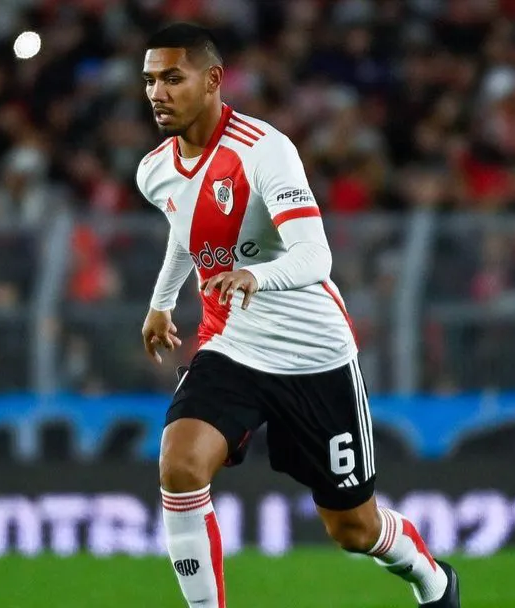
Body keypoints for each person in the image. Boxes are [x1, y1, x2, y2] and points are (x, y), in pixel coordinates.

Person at [136, 24, 460, 607]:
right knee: (180, 466)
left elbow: (316, 254)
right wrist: (162, 302)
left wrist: (255, 275)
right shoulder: (154, 169)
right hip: (231, 345)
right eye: (151, 80)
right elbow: (185, 231)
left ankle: (433, 580)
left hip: (314, 356)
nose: (158, 92)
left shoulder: (264, 150)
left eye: (172, 78)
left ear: (212, 81)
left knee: (353, 530)